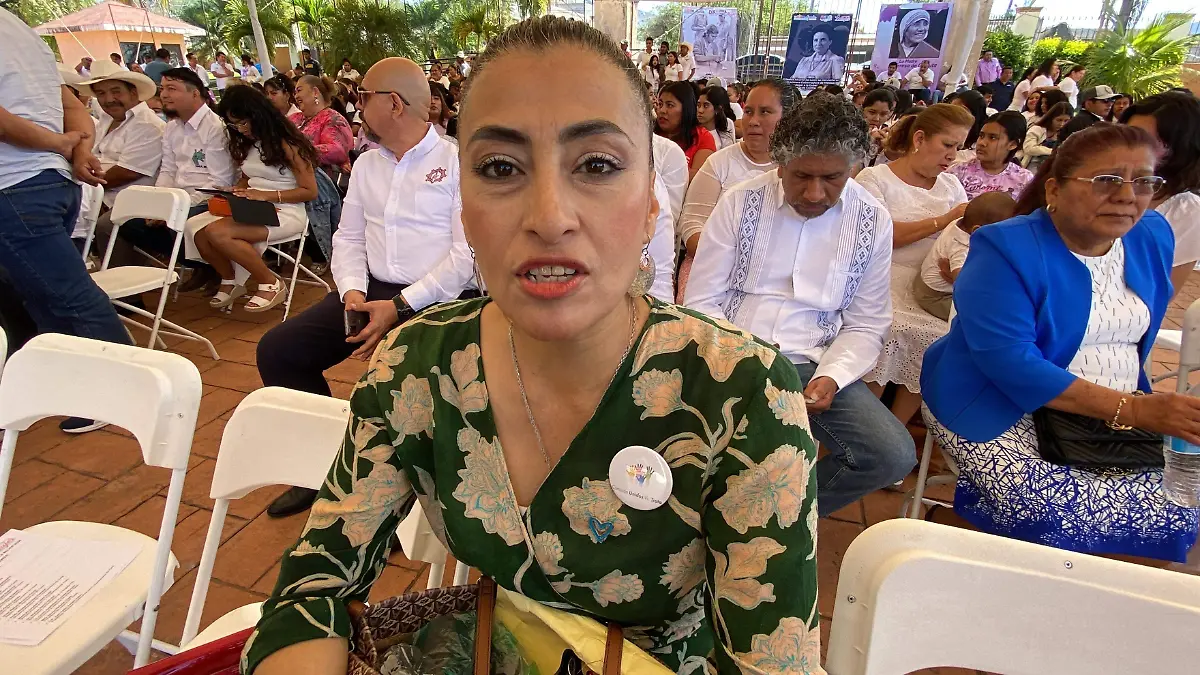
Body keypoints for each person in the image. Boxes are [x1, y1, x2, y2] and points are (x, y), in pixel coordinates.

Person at [246, 19, 820, 675]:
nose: (549, 217)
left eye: (597, 165)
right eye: (500, 168)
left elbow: (774, 661)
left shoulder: (740, 392)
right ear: (464, 210)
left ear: (650, 208)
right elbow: (315, 583)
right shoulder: (417, 366)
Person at [922, 123, 1200, 563]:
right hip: (998, 402)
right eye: (1107, 180)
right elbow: (1010, 362)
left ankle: (992, 547)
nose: (1127, 196)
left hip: (1110, 410)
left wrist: (1132, 407)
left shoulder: (1151, 234)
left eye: (1144, 182)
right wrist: (1133, 411)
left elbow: (1134, 335)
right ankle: (980, 553)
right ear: (1054, 189)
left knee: (1178, 509)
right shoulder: (1005, 246)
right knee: (1061, 512)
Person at [257, 58, 477, 518]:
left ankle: (409, 505)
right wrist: (352, 292)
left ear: (394, 103)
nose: (356, 106)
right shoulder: (369, 164)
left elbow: (467, 257)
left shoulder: (457, 163)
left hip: (438, 299)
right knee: (280, 351)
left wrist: (400, 305)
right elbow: (350, 237)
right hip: (371, 288)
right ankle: (321, 469)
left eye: (363, 97)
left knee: (398, 386)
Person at [685, 92, 913, 517]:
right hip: (732, 355)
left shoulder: (872, 219)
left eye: (832, 178)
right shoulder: (740, 201)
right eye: (802, 176)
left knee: (890, 455)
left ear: (853, 169)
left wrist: (833, 376)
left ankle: (777, 519)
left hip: (812, 364)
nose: (814, 192)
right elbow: (702, 303)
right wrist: (743, 364)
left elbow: (866, 323)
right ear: (780, 163)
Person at [0, 7, 132, 434]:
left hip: (15, 184)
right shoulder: (18, 29)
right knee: (42, 296)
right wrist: (76, 150)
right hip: (49, 181)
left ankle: (122, 391)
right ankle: (70, 384)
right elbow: (72, 105)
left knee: (69, 295)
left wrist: (59, 144)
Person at [856, 103, 973, 426]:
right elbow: (882, 236)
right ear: (919, 138)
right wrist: (944, 219)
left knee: (944, 335)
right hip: (880, 278)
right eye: (947, 145)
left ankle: (897, 427)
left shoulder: (951, 186)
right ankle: (866, 428)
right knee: (889, 330)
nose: (952, 156)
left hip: (931, 284)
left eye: (958, 147)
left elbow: (964, 236)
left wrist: (955, 265)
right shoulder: (874, 178)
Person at [178, 85, 317, 313]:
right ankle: (230, 279)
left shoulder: (288, 144)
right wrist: (238, 190)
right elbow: (248, 176)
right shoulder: (251, 142)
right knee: (194, 228)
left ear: (258, 115)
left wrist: (265, 195)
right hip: (256, 205)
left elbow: (310, 191)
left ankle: (271, 282)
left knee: (218, 233)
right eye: (234, 125)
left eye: (243, 122)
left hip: (286, 210)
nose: (240, 129)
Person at [676, 78, 799, 298]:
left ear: (789, 118)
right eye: (749, 111)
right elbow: (692, 224)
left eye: (765, 112)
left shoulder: (799, 169)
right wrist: (735, 263)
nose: (752, 121)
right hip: (712, 270)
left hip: (778, 279)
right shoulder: (719, 163)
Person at [1124, 91, 1200, 301]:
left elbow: (1159, 297)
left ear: (1181, 148)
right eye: (1128, 136)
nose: (1129, 147)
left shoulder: (1187, 211)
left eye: (1147, 141)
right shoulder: (1102, 181)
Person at [913, 192, 1015, 321]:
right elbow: (964, 285)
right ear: (977, 230)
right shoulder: (960, 247)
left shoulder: (962, 223)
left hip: (930, 279)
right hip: (935, 296)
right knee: (979, 314)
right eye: (1005, 232)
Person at [947, 111, 1032, 200]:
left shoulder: (1024, 180)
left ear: (1012, 144)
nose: (982, 143)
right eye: (981, 136)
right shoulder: (958, 172)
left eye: (992, 138)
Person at [290, 75, 354, 177]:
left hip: (321, 181)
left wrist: (297, 151)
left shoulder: (333, 118)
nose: (296, 96)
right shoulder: (294, 118)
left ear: (315, 92)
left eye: (299, 90)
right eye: (295, 92)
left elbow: (338, 151)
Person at [655, 80, 716, 179]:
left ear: (686, 108)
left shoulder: (703, 138)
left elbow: (697, 178)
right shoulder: (649, 134)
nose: (662, 110)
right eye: (660, 104)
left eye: (670, 105)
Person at [1020, 101, 1072, 171]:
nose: (1062, 124)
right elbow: (1029, 149)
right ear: (1051, 118)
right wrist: (1053, 152)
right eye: (1059, 120)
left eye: (1066, 121)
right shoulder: (1037, 129)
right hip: (1031, 168)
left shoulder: (1067, 134)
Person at [862, 87, 897, 168]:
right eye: (872, 112)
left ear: (890, 113)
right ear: (863, 109)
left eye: (883, 114)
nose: (877, 119)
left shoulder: (888, 135)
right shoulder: (850, 130)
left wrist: (888, 152)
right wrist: (869, 142)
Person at [697, 85, 735, 151]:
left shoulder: (727, 124)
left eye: (706, 106)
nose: (700, 110)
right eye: (698, 105)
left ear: (718, 109)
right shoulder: (692, 131)